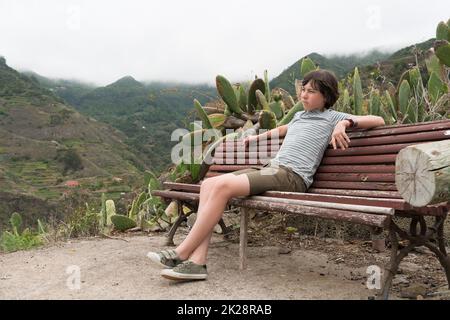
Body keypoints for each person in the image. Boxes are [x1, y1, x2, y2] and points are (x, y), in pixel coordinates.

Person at [147, 69, 385, 280]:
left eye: (311, 92)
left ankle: (181, 252)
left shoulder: (332, 117)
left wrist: (344, 124)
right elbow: (284, 128)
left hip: (293, 176)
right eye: (303, 90)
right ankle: (197, 263)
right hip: (272, 169)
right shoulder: (300, 116)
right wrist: (256, 138)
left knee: (222, 188)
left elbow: (378, 119)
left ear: (326, 96)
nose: (304, 95)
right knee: (210, 184)